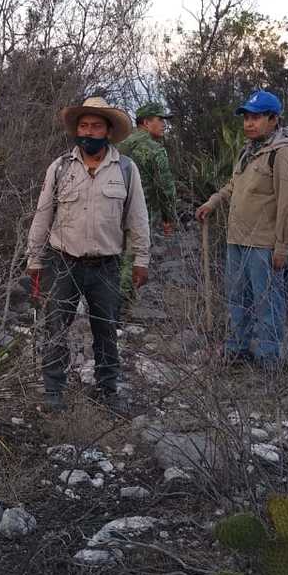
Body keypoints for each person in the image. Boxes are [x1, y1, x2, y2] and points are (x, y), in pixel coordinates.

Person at [26, 95, 151, 412]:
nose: (89, 132)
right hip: (63, 263)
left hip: (106, 265)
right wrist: (34, 258)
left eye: (96, 126)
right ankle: (53, 391)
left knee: (106, 330)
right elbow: (43, 214)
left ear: (108, 131)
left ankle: (108, 389)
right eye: (84, 125)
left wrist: (141, 259)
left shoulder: (125, 169)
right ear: (76, 130)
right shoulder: (60, 168)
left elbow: (138, 216)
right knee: (56, 327)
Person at [196, 89, 288, 369]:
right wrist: (212, 202)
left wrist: (283, 246)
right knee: (237, 297)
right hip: (237, 239)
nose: (249, 123)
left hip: (264, 244)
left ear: (274, 119)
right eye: (246, 117)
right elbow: (234, 185)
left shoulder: (287, 153)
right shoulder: (249, 151)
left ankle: (269, 358)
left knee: (267, 301)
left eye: (256, 117)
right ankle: (237, 349)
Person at [119, 101, 179, 298]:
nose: (164, 124)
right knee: (133, 260)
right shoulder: (155, 150)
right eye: (160, 119)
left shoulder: (120, 145)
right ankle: (119, 315)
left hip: (114, 210)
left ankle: (104, 310)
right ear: (145, 122)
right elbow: (166, 188)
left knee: (113, 259)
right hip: (140, 213)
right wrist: (169, 217)